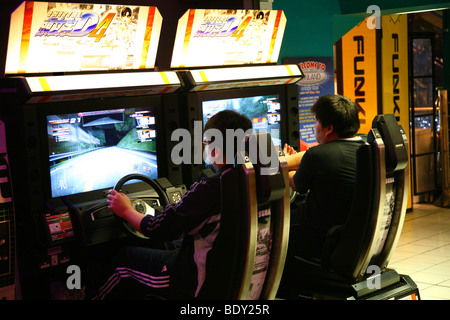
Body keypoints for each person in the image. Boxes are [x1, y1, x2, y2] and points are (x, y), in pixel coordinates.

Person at [91, 110, 252, 299]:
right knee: (168, 243)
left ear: (214, 149)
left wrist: (125, 210)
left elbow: (156, 227)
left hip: (193, 280)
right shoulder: (251, 179)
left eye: (206, 143)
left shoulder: (212, 188)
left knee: (123, 259)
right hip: (227, 273)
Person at [282, 94, 365, 261]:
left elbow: (295, 183)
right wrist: (290, 161)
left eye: (316, 122)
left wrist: (283, 166)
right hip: (350, 231)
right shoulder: (364, 144)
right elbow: (311, 156)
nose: (314, 127)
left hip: (318, 234)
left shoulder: (318, 156)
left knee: (270, 228)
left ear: (329, 129)